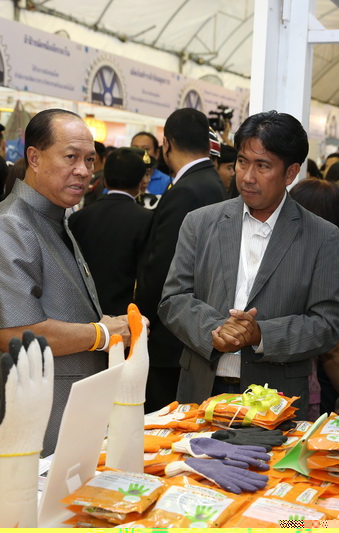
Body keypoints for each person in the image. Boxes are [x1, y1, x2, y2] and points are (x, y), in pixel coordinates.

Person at [0, 109, 131, 467]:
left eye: (89, 160)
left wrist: (107, 325)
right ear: (35, 158)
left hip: (59, 422)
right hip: (25, 432)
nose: (84, 170)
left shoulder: (53, 218)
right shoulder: (9, 226)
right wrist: (102, 333)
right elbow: (15, 333)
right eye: (70, 157)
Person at [158, 111, 339, 412]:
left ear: (290, 173)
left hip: (275, 400)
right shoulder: (200, 222)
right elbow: (173, 299)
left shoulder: (320, 236)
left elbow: (327, 325)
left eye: (263, 166)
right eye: (242, 162)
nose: (247, 177)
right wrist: (216, 330)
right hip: (202, 390)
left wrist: (260, 335)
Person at [134, 108, 226, 412]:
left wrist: (141, 319)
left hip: (171, 334)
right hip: (198, 326)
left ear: (167, 144)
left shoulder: (186, 190)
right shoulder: (211, 182)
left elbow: (163, 267)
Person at [288, 178, 339, 419]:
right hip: (302, 390)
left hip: (250, 391)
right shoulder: (335, 275)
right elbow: (333, 351)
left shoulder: (262, 262)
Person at [69, 147, 153, 315]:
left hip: (82, 311)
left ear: (105, 180)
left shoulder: (78, 218)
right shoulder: (148, 219)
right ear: (140, 182)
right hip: (126, 314)